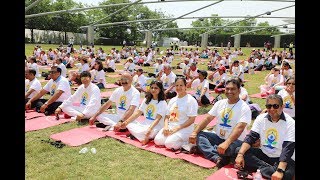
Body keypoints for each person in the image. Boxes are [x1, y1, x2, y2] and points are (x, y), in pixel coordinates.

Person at [189, 78, 252, 168]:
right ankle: (216, 157)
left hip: (234, 141)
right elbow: (207, 118)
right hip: (219, 137)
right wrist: (195, 132)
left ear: (239, 90)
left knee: (230, 149)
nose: (229, 91)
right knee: (200, 135)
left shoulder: (244, 107)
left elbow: (240, 127)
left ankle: (206, 149)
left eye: (233, 89)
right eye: (227, 89)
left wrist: (227, 143)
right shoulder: (220, 103)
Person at [234, 94, 295, 180]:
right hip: (264, 154)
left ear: (282, 107)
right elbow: (251, 137)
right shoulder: (261, 118)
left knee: (287, 173)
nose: (272, 109)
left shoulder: (291, 123)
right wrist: (240, 155)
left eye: (275, 106)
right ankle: (267, 170)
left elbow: (287, 149)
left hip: (280, 158)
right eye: (269, 106)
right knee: (239, 151)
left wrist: (280, 170)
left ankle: (261, 170)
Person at [154, 77, 198, 151]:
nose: (178, 87)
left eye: (181, 85)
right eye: (177, 85)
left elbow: (192, 119)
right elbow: (167, 116)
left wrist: (178, 128)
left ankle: (188, 142)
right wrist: (165, 126)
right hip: (171, 127)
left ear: (185, 86)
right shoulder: (173, 100)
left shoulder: (191, 100)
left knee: (169, 144)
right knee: (158, 141)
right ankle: (172, 139)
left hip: (184, 128)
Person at [118, 80, 168, 145]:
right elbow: (138, 112)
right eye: (152, 87)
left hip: (155, 127)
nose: (153, 89)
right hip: (144, 125)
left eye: (156, 88)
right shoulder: (147, 99)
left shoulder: (162, 103)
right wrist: (126, 122)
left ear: (160, 90)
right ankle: (143, 137)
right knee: (129, 125)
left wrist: (149, 129)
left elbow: (157, 119)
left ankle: (142, 136)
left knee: (147, 132)